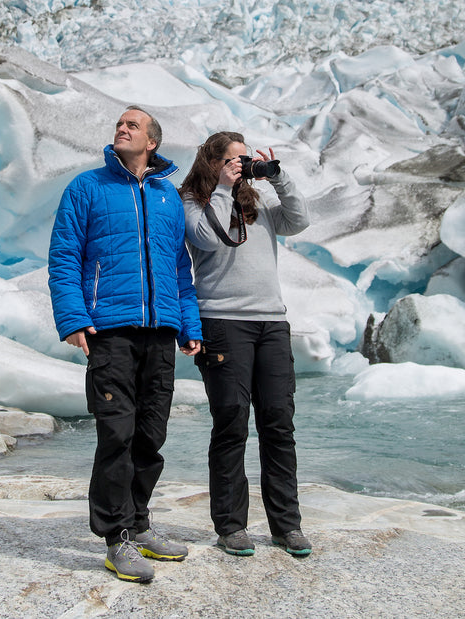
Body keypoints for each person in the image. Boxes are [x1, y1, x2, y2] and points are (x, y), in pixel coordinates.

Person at [48, 105, 203, 583]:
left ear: (151, 141)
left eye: (132, 125)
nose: (122, 128)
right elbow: (64, 255)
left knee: (151, 436)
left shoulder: (166, 197)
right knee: (117, 434)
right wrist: (73, 318)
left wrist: (189, 324)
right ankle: (115, 538)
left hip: (160, 332)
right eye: (120, 123)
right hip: (110, 331)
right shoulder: (87, 187)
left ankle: (139, 523)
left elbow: (179, 268)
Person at [179, 131, 312, 558]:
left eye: (246, 160)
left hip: (271, 321)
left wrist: (278, 178)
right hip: (221, 322)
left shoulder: (259, 202)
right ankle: (231, 526)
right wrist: (221, 188)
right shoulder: (193, 202)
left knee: (278, 422)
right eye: (234, 160)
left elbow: (299, 221)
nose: (242, 167)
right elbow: (207, 239)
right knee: (232, 422)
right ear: (213, 162)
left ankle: (286, 526)